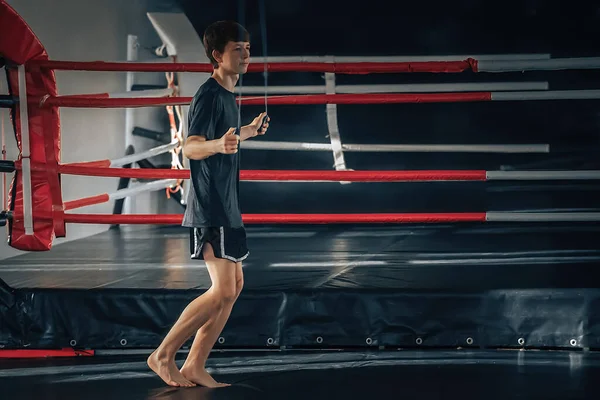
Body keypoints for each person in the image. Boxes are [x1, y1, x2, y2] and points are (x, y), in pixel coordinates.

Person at [147, 20, 269, 388]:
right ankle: (163, 355)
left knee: (235, 285)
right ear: (217, 55)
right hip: (210, 204)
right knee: (223, 289)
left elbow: (224, 137)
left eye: (247, 47)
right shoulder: (209, 94)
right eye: (238, 48)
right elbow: (190, 146)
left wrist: (247, 130)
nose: (246, 54)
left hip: (227, 205)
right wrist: (217, 145)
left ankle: (195, 364)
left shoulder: (228, 96)